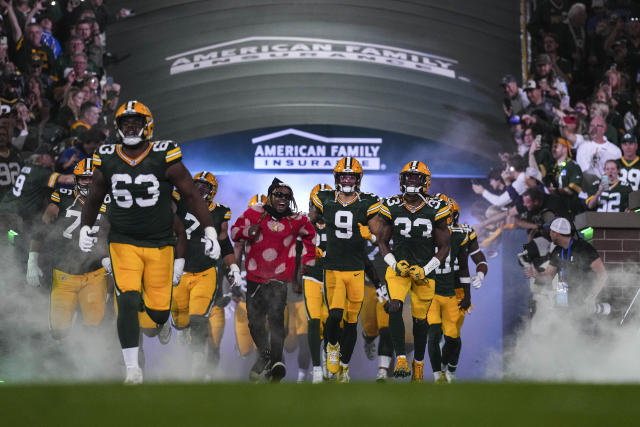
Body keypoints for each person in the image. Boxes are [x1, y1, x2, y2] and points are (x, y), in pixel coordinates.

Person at [79, 100, 221, 384]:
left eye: (136, 122)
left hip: (159, 244)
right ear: (117, 128)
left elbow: (192, 195)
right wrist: (86, 226)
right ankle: (132, 369)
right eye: (125, 123)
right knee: (127, 298)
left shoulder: (164, 154)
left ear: (148, 126)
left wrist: (209, 231)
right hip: (123, 241)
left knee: (157, 316)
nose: (130, 127)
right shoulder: (107, 156)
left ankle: (155, 317)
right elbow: (94, 196)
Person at [230, 178, 315, 383]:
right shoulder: (254, 213)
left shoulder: (296, 219)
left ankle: (277, 361)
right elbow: (234, 232)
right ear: (270, 196)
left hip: (279, 278)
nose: (283, 199)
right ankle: (265, 357)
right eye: (279, 195)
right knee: (254, 324)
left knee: (277, 319)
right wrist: (246, 232)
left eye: (287, 196)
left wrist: (309, 259)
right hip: (254, 277)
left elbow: (311, 235)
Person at [310, 157, 382, 382]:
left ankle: (344, 367)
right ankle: (332, 346)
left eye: (352, 176)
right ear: (337, 179)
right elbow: (310, 220)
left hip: (356, 269)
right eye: (344, 176)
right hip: (333, 269)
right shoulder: (325, 199)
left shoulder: (367, 202)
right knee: (334, 315)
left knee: (351, 322)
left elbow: (379, 234)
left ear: (358, 179)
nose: (348, 180)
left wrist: (369, 234)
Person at [377, 161, 450, 381]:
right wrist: (393, 263)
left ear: (424, 181)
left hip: (424, 271)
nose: (410, 181)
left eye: (415, 178)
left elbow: (445, 246)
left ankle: (418, 364)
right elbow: (382, 241)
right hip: (399, 268)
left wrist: (426, 269)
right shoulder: (391, 205)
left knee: (420, 322)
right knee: (394, 306)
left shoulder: (436, 208)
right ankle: (400, 358)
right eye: (407, 177)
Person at [27, 158, 110, 341]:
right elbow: (44, 223)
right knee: (58, 332)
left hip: (95, 273)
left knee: (94, 327)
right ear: (76, 179)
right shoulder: (63, 195)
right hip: (65, 273)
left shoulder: (111, 199)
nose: (88, 182)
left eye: (92, 178)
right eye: (84, 179)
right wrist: (32, 260)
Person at [171, 171, 241, 378]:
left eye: (205, 187)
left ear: (212, 191)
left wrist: (233, 267)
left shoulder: (219, 212)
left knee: (198, 318)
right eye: (197, 185)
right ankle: (180, 329)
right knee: (180, 321)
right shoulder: (178, 201)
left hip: (205, 272)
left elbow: (225, 241)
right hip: (180, 270)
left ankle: (197, 360)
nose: (200, 189)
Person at [428, 194, 471, 383]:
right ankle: (439, 374)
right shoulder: (424, 234)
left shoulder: (461, 235)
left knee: (452, 336)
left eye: (447, 215)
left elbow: (465, 264)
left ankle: (449, 369)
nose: (444, 219)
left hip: (456, 290)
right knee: (435, 334)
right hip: (432, 291)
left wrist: (468, 293)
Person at [526, 217, 607, 310]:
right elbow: (548, 276)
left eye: (550, 231)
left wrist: (591, 298)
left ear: (556, 233)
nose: (549, 233)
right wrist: (537, 275)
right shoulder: (557, 250)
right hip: (563, 296)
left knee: (579, 322)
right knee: (561, 322)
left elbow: (602, 274)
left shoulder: (583, 248)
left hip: (583, 298)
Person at [302, 183, 331, 383]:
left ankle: (328, 355)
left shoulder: (339, 222)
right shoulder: (303, 222)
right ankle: (317, 368)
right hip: (311, 276)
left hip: (332, 277)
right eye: (316, 205)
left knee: (331, 321)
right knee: (313, 322)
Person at [0, 124, 23, 200]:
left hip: (16, 199)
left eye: (4, 135)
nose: (1, 137)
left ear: (7, 137)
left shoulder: (16, 154)